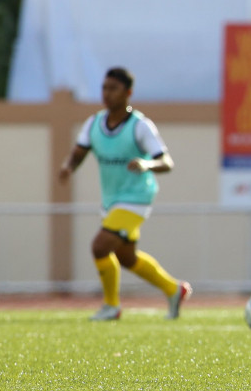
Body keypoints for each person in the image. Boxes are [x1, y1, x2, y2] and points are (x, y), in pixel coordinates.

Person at [58, 67, 192, 321]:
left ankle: (111, 306)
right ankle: (173, 289)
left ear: (128, 93)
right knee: (126, 257)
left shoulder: (140, 126)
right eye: (104, 88)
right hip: (112, 200)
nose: (107, 94)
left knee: (100, 246)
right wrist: (68, 167)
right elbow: (78, 154)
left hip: (137, 197)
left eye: (113, 88)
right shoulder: (94, 123)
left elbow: (166, 161)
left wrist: (146, 164)